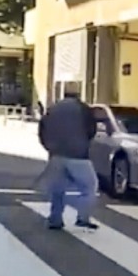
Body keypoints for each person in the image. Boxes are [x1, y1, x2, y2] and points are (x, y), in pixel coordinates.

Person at [38, 89, 99, 231]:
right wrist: (85, 142)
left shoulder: (53, 108)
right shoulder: (83, 108)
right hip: (77, 154)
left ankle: (55, 219)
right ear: (77, 96)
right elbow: (92, 129)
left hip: (56, 154)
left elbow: (42, 128)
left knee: (58, 189)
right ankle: (82, 217)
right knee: (89, 187)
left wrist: (49, 146)